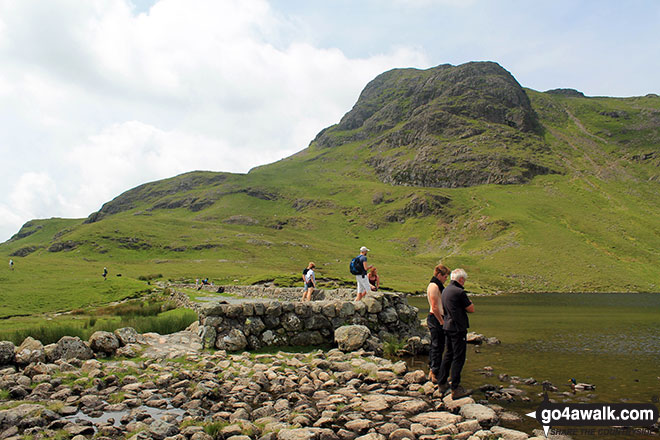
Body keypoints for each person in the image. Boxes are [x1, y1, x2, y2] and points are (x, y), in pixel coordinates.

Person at [437, 268, 475, 399]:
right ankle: (456, 388)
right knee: (459, 357)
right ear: (461, 279)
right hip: (458, 328)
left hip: (448, 326)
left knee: (448, 354)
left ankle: (442, 382)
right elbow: (471, 308)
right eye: (464, 280)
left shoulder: (446, 290)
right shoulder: (459, 292)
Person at [426, 264, 450, 384]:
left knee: (437, 345)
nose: (446, 279)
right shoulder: (434, 286)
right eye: (445, 276)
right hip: (436, 318)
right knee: (437, 345)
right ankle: (434, 371)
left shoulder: (435, 285)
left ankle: (434, 369)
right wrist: (441, 321)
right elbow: (435, 306)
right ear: (439, 275)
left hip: (437, 317)